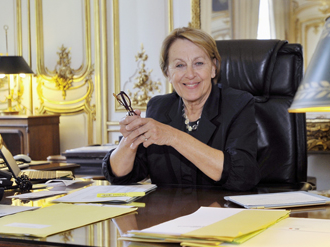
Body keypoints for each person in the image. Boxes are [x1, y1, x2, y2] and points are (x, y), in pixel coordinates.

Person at [102, 27, 260, 191]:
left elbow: (243, 175)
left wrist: (173, 137)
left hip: (221, 206)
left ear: (213, 68)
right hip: (169, 207)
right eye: (180, 65)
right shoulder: (159, 108)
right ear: (167, 73)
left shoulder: (238, 104)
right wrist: (130, 139)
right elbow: (121, 175)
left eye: (198, 63)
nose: (190, 74)